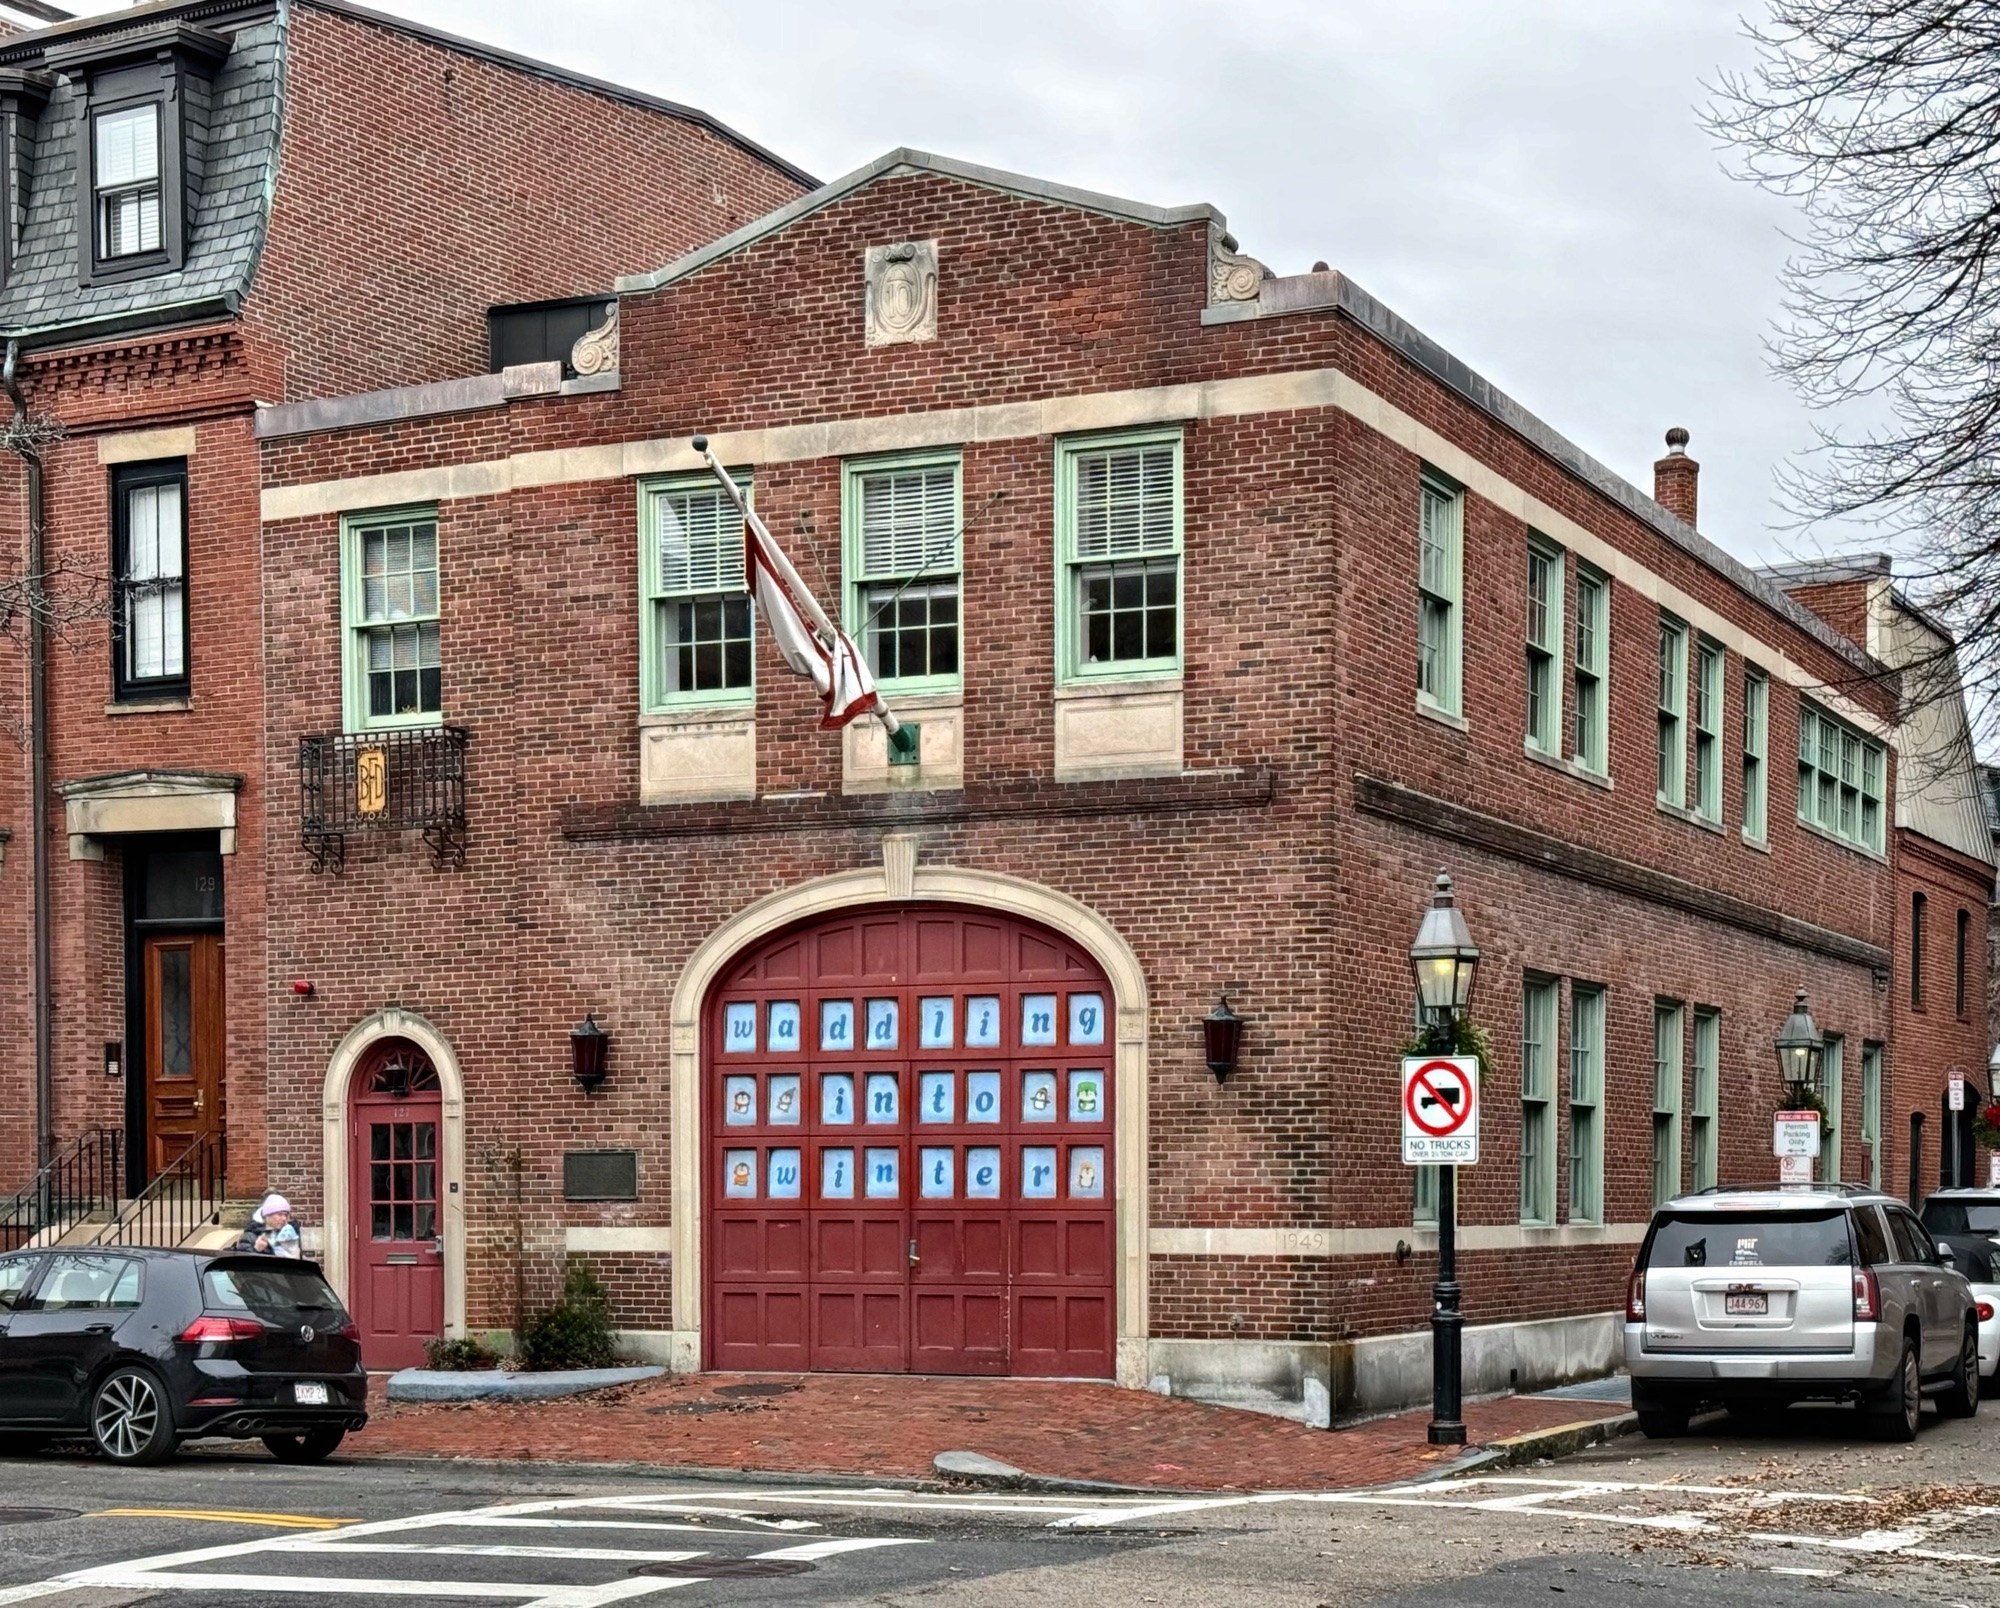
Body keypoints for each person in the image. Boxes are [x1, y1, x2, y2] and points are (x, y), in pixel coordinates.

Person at [253, 1193, 301, 1258]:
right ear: (268, 1216)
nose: (284, 1218)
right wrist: (256, 1250)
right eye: (280, 1214)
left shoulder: (289, 1233)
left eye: (286, 1215)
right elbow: (243, 1264)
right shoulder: (252, 1234)